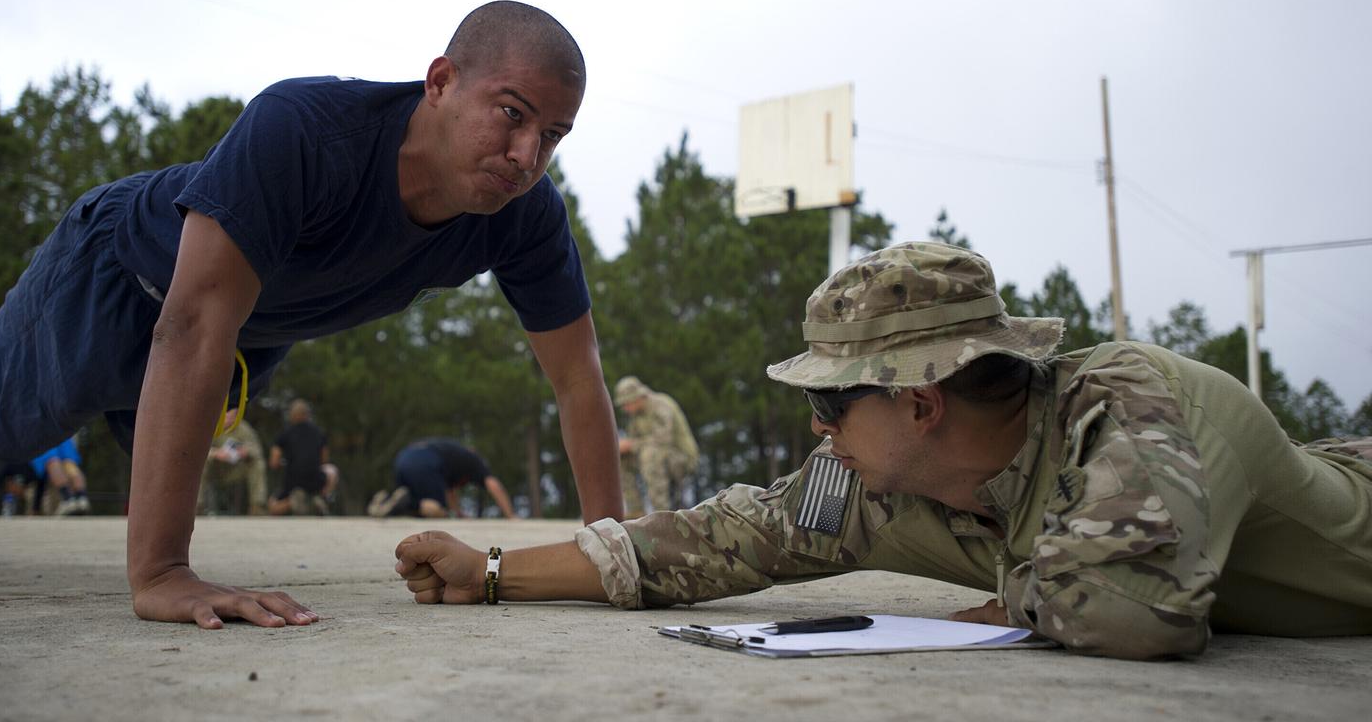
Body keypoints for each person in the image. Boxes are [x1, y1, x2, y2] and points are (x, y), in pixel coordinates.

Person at [0, 0, 625, 629]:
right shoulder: (306, 131)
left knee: (40, 415)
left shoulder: (523, 214)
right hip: (127, 264)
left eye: (554, 135)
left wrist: (613, 554)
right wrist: (161, 573)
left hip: (241, 329)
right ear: (440, 82)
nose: (529, 155)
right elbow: (187, 328)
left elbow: (576, 377)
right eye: (512, 114)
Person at [395, 242, 1372, 660]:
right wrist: (483, 570)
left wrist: (1015, 595)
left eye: (828, 400)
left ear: (918, 402)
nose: (813, 429)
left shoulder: (1134, 407)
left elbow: (1132, 611)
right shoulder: (878, 481)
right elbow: (714, 536)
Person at [368, 438, 519, 519]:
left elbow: (450, 491)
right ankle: (406, 504)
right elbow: (494, 485)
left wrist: (458, 513)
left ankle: (387, 499)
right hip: (425, 463)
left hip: (403, 459)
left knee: (416, 504)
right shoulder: (474, 460)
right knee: (438, 511)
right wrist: (510, 515)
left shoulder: (453, 455)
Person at [612, 376, 698, 516]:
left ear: (637, 397)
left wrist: (631, 444)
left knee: (650, 454)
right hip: (658, 456)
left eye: (626, 403)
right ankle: (636, 512)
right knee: (622, 458)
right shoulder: (636, 416)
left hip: (682, 458)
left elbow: (663, 439)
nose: (625, 408)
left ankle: (662, 514)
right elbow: (636, 442)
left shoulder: (661, 405)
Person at [266, 400, 337, 516]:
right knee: (332, 470)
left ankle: (291, 503)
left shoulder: (284, 435)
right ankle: (320, 498)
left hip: (292, 481)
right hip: (316, 480)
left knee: (272, 507)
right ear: (307, 415)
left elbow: (273, 463)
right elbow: (324, 460)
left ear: (292, 415)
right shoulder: (319, 433)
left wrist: (284, 463)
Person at [197, 409, 267, 516]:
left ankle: (257, 506)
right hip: (214, 470)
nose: (228, 419)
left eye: (231, 416)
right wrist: (216, 453)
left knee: (257, 463)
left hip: (235, 470)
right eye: (225, 415)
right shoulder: (210, 425)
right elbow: (197, 451)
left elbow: (256, 449)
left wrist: (246, 451)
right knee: (200, 464)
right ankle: (197, 506)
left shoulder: (243, 428)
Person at [31, 435, 91, 516]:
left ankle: (68, 499)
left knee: (50, 459)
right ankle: (81, 497)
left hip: (41, 429)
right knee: (68, 461)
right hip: (62, 428)